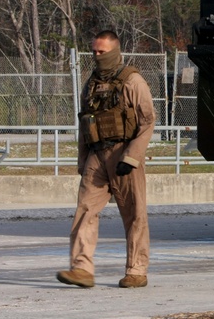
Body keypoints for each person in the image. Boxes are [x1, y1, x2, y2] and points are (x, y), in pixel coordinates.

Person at [57, 30, 155, 289]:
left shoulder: (132, 81)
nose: (97, 56)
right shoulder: (90, 84)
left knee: (134, 214)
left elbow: (147, 122)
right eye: (94, 52)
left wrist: (132, 157)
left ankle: (136, 270)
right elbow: (83, 124)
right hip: (96, 156)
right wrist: (82, 161)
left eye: (102, 52)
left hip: (124, 155)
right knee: (85, 211)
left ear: (114, 51)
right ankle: (82, 269)